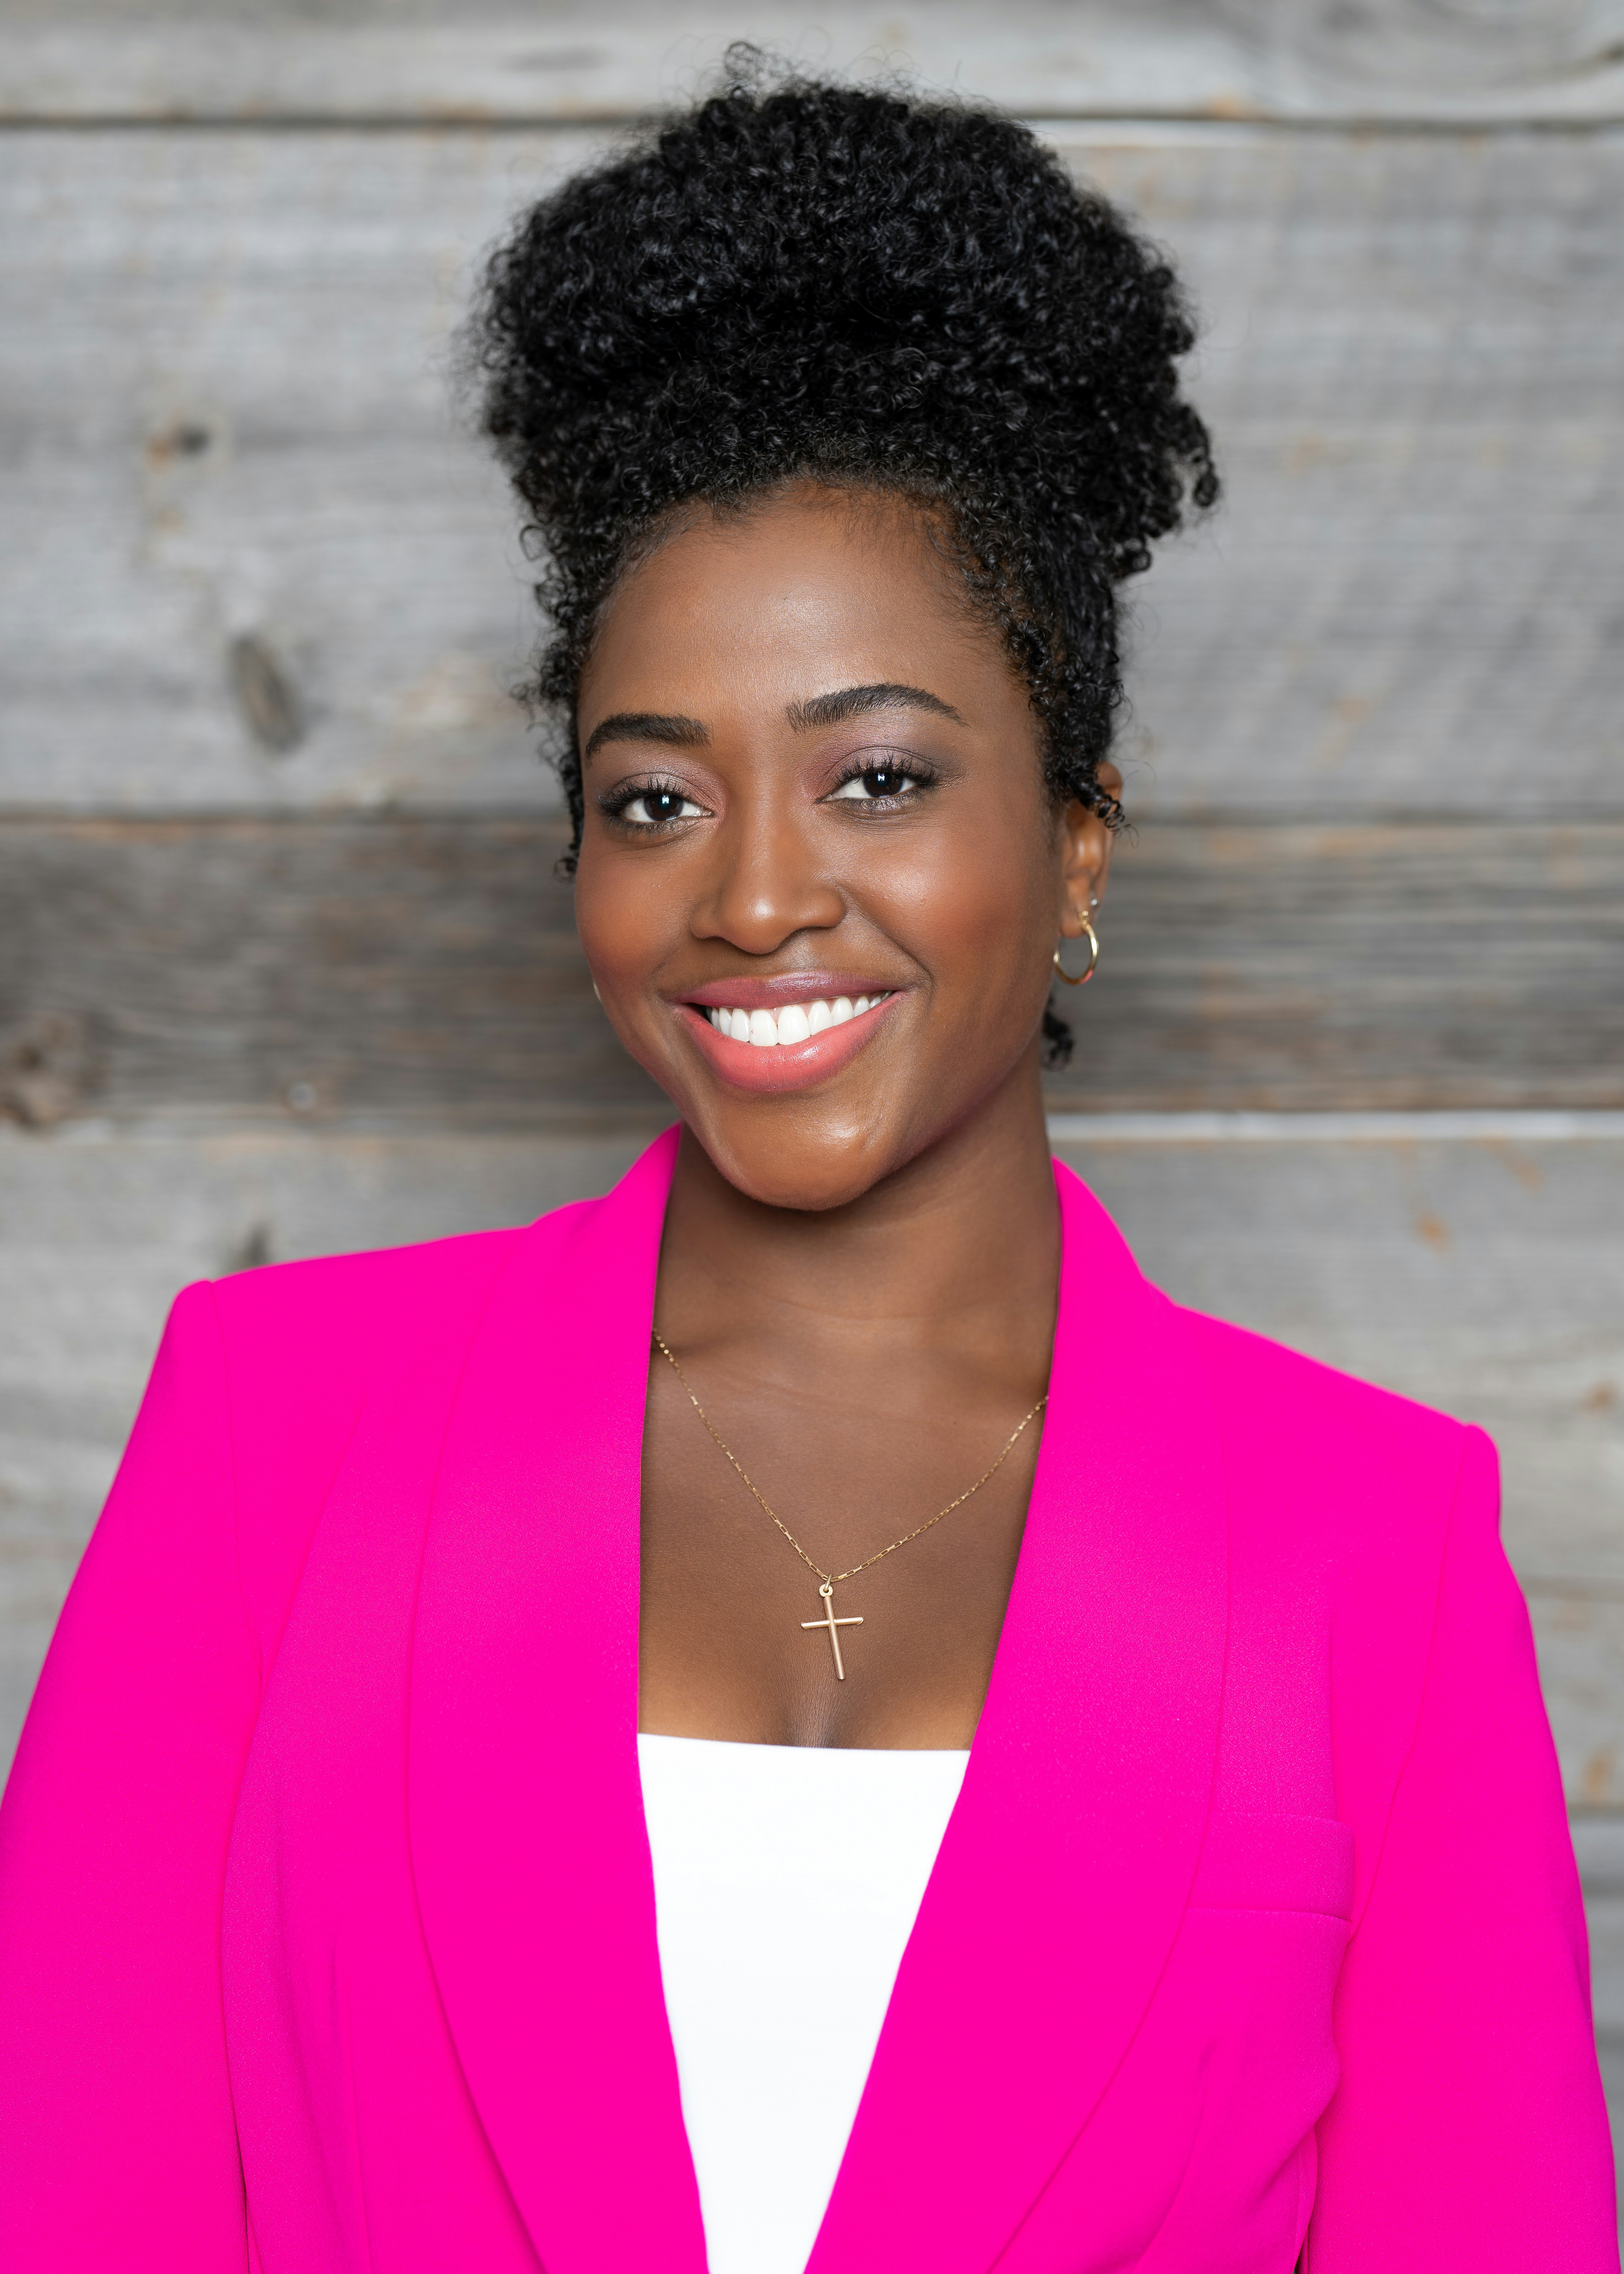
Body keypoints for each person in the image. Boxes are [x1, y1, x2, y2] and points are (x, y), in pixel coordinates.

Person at [0, 61, 1614, 2274]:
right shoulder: (270, 1436)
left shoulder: (1371, 1547)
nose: (754, 897)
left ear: (1071, 844)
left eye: (873, 778)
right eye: (655, 800)